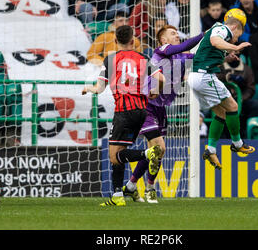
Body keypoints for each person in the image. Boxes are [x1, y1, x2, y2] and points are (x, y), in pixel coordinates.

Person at [82, 25, 165, 206]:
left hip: (123, 111)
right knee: (119, 154)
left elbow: (100, 88)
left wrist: (88, 88)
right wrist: (155, 91)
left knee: (114, 156)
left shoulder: (110, 59)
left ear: (115, 40)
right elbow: (161, 79)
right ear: (133, 40)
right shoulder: (144, 57)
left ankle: (148, 153)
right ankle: (118, 196)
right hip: (142, 112)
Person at [123, 25, 204, 203]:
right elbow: (184, 47)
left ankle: (131, 185)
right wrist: (204, 34)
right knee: (160, 148)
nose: (177, 36)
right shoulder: (161, 50)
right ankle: (150, 188)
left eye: (177, 33)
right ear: (163, 40)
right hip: (145, 105)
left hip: (160, 109)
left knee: (156, 151)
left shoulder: (182, 58)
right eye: (173, 33)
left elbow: (200, 56)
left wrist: (225, 53)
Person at [187, 11, 255, 170]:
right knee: (233, 107)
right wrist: (236, 46)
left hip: (197, 77)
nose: (236, 39)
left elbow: (211, 52)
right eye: (238, 35)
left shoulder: (218, 32)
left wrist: (226, 57)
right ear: (235, 27)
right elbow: (215, 41)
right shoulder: (222, 29)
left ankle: (210, 150)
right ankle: (237, 144)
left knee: (221, 113)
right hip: (204, 77)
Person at [217, 54, 258, 138]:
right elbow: (213, 79)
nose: (234, 55)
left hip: (241, 99)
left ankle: (249, 134)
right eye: (231, 52)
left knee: (257, 106)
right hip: (223, 99)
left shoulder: (247, 69)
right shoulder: (220, 67)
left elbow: (251, 88)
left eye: (236, 52)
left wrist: (241, 98)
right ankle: (222, 138)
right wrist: (226, 77)